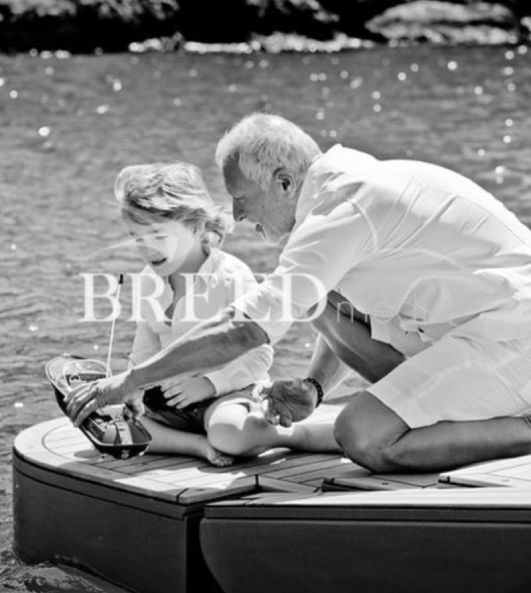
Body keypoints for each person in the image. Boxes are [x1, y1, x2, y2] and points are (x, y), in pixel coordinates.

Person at [68, 115, 531, 474]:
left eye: (242, 197)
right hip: (475, 330)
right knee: (317, 297)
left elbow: (245, 329)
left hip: (511, 337)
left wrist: (125, 383)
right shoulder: (344, 190)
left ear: (284, 182)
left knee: (365, 435)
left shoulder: (343, 209)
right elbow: (333, 311)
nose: (236, 215)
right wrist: (314, 387)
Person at [73, 161, 338, 466]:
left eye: (159, 236)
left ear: (196, 226)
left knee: (228, 432)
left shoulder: (230, 275)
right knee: (102, 418)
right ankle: (195, 446)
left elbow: (259, 356)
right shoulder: (149, 280)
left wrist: (209, 384)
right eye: (137, 238)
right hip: (170, 405)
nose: (147, 249)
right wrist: (129, 389)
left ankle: (297, 436)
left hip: (228, 394)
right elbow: (144, 351)